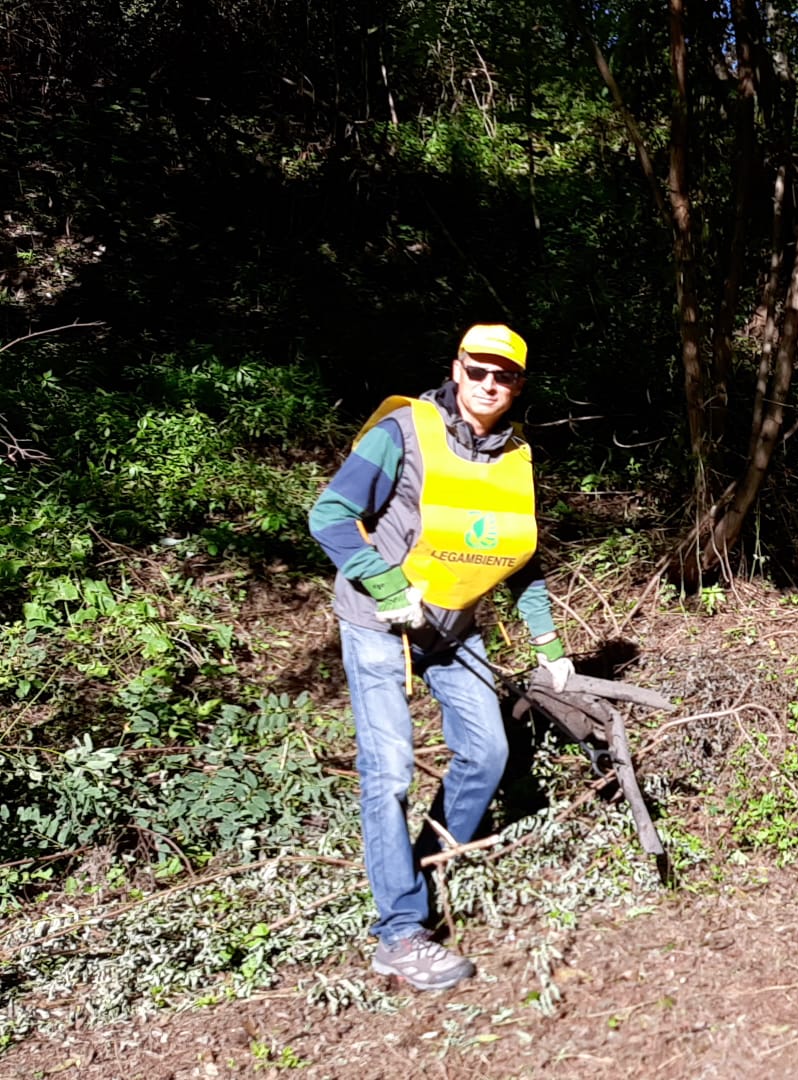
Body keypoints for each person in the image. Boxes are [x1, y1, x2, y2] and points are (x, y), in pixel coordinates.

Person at [308, 323, 573, 991]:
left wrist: (549, 646)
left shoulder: (514, 457)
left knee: (488, 753)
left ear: (518, 386)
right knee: (390, 769)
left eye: (504, 375)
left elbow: (522, 556)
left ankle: (424, 865)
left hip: (453, 627)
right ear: (456, 369)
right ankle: (399, 932)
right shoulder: (403, 432)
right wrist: (385, 580)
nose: (490, 384)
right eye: (478, 370)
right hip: (379, 622)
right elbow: (331, 514)